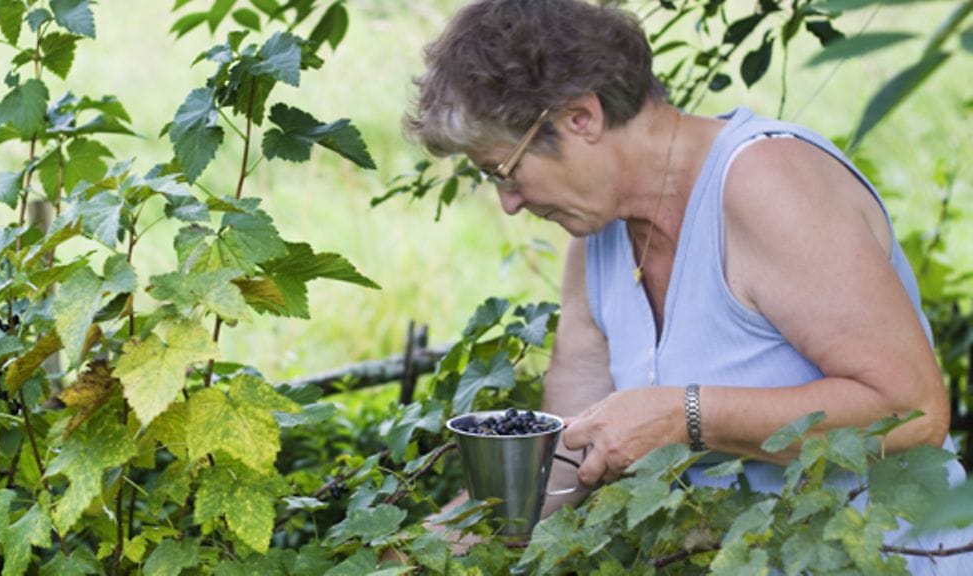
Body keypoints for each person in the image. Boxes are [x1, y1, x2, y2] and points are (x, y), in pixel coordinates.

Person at [404, 0, 972, 571]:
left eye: (504, 171)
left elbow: (914, 411)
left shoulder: (767, 185)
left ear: (581, 118)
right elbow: (558, 469)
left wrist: (686, 416)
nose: (508, 204)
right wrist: (406, 556)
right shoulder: (597, 242)